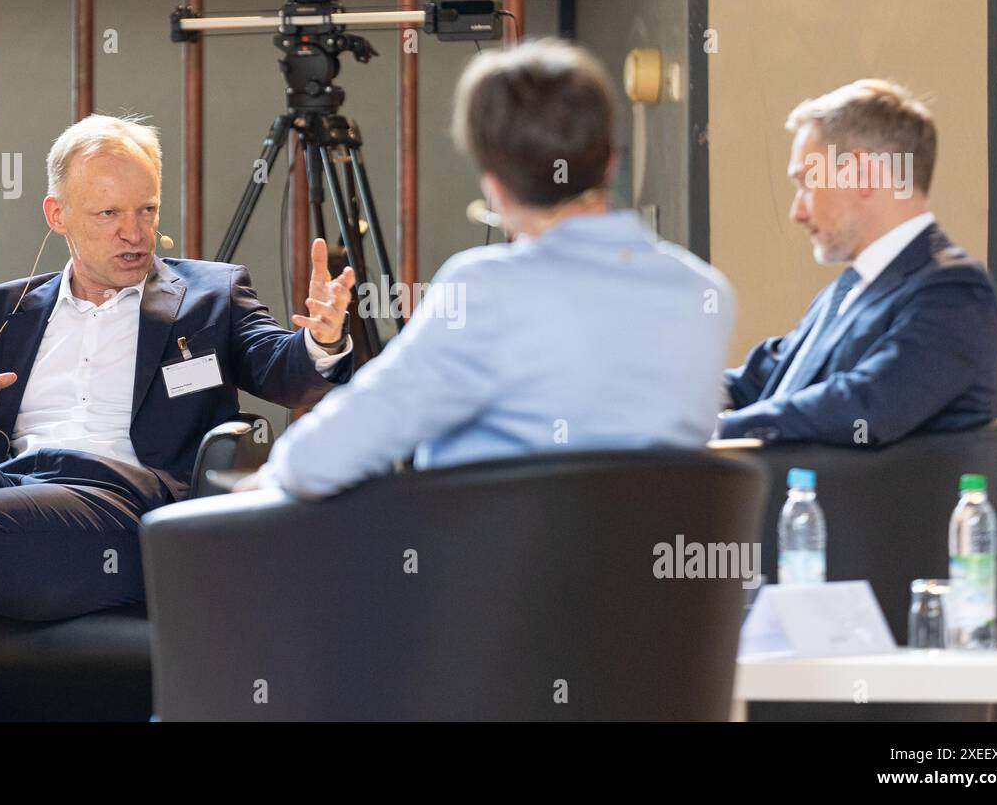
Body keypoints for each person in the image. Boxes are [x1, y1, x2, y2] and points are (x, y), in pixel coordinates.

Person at [0, 114, 356, 721]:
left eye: (146, 210)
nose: (133, 233)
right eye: (109, 214)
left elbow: (282, 370)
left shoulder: (209, 297)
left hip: (123, 509)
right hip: (9, 489)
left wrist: (323, 341)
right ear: (57, 215)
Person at [237, 38, 735, 499]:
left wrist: (263, 480)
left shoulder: (485, 290)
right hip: (665, 590)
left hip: (490, 588)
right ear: (610, 162)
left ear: (493, 185)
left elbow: (320, 459)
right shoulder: (703, 293)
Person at [718, 79, 997, 446]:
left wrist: (720, 431)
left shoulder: (955, 292)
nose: (797, 212)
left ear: (862, 174)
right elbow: (757, 383)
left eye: (806, 183)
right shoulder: (846, 291)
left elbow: (865, 405)